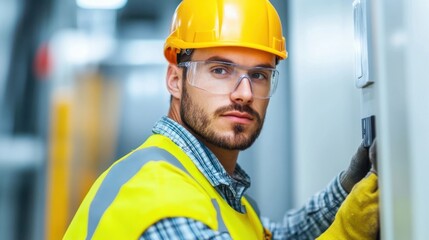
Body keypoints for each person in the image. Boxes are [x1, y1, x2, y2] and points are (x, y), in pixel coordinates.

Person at [63, 0, 379, 239]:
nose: (243, 93)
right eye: (220, 70)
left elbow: (275, 236)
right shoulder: (165, 207)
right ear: (175, 79)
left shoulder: (208, 187)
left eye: (258, 74)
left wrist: (345, 188)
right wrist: (347, 230)